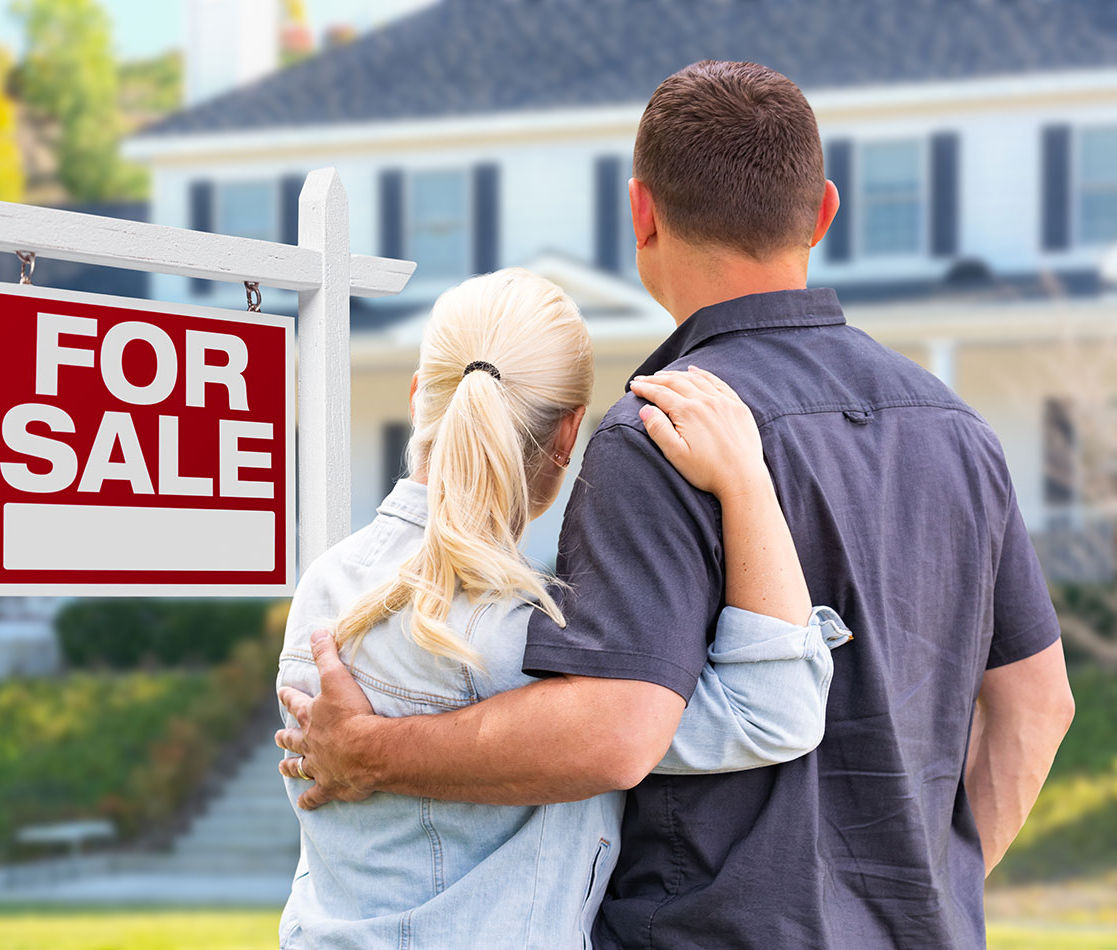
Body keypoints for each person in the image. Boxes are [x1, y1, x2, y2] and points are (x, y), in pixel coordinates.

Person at [276, 60, 1075, 949]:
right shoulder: (960, 431)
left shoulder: (658, 432)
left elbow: (612, 727)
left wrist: (374, 751)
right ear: (823, 214)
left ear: (641, 214)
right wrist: (929, 895)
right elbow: (1039, 705)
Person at [275, 267, 851, 948]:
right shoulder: (533, 639)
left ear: (416, 396)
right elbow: (772, 708)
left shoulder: (324, 586)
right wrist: (746, 480)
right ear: (568, 435)